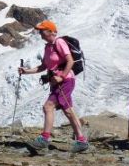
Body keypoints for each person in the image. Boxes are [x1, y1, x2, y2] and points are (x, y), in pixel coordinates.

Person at [17, 20, 89, 152]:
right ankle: (81, 140)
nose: (40, 33)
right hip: (57, 83)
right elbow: (44, 66)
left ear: (50, 31)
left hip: (65, 81)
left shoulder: (59, 43)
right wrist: (26, 71)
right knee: (68, 110)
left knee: (48, 106)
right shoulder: (48, 47)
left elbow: (70, 61)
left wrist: (61, 76)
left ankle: (44, 139)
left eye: (42, 31)